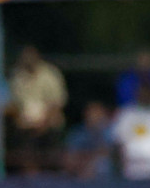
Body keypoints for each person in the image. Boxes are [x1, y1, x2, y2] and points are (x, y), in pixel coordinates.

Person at [7, 46, 66, 174]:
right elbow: (14, 104)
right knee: (22, 146)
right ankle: (30, 177)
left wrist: (44, 123)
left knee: (50, 148)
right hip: (25, 124)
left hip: (48, 121)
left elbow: (57, 103)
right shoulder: (17, 76)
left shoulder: (50, 74)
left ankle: (52, 175)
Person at [64, 100, 116, 179]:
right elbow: (70, 156)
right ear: (85, 114)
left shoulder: (110, 132)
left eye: (98, 113)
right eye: (92, 113)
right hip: (79, 172)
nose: (94, 116)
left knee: (102, 163)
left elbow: (109, 152)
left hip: (103, 178)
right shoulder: (77, 133)